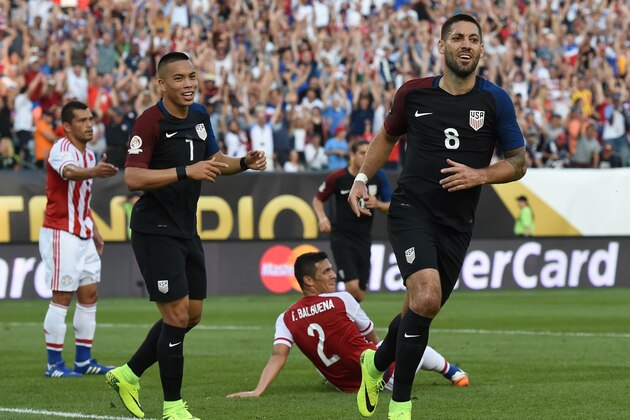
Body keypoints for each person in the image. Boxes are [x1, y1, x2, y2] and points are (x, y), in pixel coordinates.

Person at [347, 14, 526, 420]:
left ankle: (373, 365)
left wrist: (480, 174)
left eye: (474, 39)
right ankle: (401, 407)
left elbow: (518, 163)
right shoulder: (413, 94)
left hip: (456, 224)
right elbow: (386, 136)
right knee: (425, 296)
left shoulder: (494, 100)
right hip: (412, 211)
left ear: (481, 49)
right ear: (440, 46)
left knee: (420, 307)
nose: (466, 44)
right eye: (458, 37)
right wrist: (361, 178)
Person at [105, 52, 266, 420]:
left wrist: (242, 163)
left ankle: (127, 374)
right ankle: (173, 407)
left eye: (192, 76)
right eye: (178, 79)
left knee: (191, 315)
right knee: (176, 316)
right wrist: (184, 171)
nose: (189, 84)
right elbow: (132, 178)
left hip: (185, 228)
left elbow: (215, 160)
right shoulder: (149, 122)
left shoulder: (199, 116)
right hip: (153, 229)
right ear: (161, 84)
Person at [226, 251, 468, 399]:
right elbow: (371, 338)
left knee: (322, 359)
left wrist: (257, 390)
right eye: (327, 272)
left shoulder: (286, 317)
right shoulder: (341, 299)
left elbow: (278, 356)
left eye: (332, 270)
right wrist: (384, 355)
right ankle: (453, 372)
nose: (333, 275)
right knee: (406, 343)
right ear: (309, 280)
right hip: (380, 378)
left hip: (344, 386)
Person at [40, 101, 119, 378]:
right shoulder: (61, 150)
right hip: (60, 232)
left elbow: (81, 198)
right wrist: (96, 171)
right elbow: (69, 173)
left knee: (89, 295)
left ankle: (84, 361)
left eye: (90, 119)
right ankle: (54, 364)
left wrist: (94, 228)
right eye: (83, 120)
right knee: (62, 295)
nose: (89, 124)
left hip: (83, 232)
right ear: (67, 127)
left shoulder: (88, 154)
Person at [312, 140, 391, 302]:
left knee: (360, 294)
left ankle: (341, 317)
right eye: (362, 153)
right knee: (352, 286)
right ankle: (340, 320)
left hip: (364, 238)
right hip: (341, 237)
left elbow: (391, 205)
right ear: (352, 155)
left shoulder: (379, 176)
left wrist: (378, 204)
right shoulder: (338, 177)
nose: (366, 156)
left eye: (368, 153)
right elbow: (318, 199)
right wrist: (322, 218)